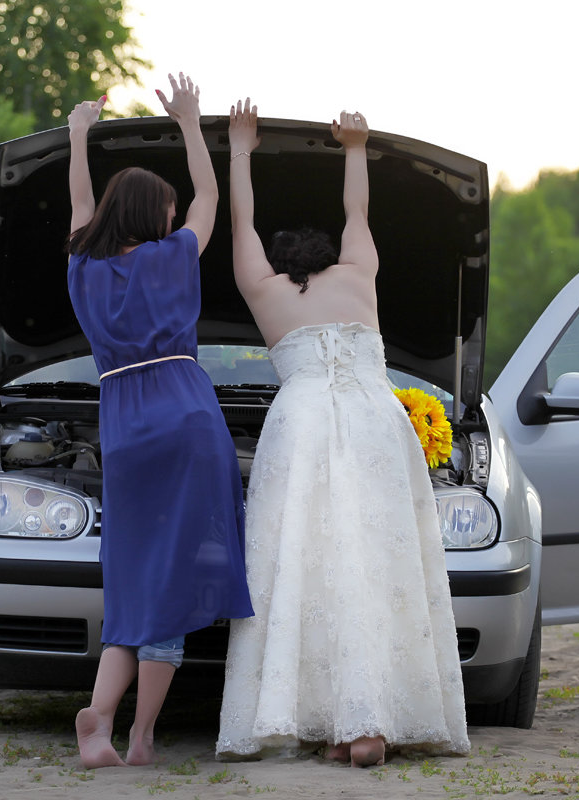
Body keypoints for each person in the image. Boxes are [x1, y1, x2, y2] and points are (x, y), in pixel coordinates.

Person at [215, 101, 469, 766]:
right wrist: (354, 146)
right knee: (377, 563)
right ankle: (367, 723)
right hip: (373, 420)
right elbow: (360, 211)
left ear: (280, 262)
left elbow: (238, 220)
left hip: (300, 425)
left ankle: (337, 722)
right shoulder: (360, 274)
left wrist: (241, 148)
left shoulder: (264, 290)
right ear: (329, 257)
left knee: (306, 566)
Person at [66, 74, 254, 769]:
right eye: (168, 212)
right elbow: (210, 200)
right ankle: (141, 736)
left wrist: (80, 132)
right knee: (176, 580)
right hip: (186, 414)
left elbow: (82, 203)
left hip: (123, 424)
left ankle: (101, 715)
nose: (177, 222)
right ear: (155, 217)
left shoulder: (82, 265)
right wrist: (190, 123)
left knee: (137, 576)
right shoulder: (172, 258)